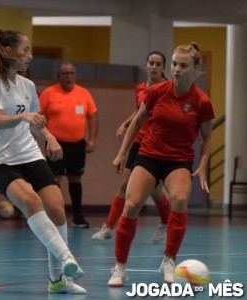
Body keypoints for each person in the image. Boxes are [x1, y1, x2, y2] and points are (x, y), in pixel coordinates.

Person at [0, 29, 86, 295]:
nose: (30, 56)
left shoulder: (27, 86)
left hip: (29, 154)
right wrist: (23, 118)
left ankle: (58, 281)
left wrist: (49, 137)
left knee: (57, 209)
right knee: (30, 201)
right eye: (25, 50)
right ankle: (66, 257)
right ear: (7, 51)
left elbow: (37, 121)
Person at [108, 42, 215, 286]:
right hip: (149, 155)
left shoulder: (202, 102)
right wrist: (122, 153)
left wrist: (204, 163)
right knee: (132, 204)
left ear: (195, 70)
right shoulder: (157, 91)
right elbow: (137, 121)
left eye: (183, 65)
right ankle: (120, 267)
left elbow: (207, 137)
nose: (177, 69)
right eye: (175, 64)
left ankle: (168, 260)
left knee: (179, 200)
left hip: (178, 161)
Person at [91, 51, 170, 242]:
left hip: (157, 145)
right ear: (146, 65)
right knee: (125, 185)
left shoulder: (167, 89)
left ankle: (166, 225)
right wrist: (127, 123)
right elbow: (139, 111)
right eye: (150, 62)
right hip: (138, 141)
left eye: (157, 64)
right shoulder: (140, 88)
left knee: (155, 190)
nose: (153, 66)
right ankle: (109, 227)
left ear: (163, 68)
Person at [39, 61, 98, 228]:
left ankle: (78, 216)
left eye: (71, 73)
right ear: (58, 76)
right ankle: (53, 217)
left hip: (77, 145)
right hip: (55, 144)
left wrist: (92, 139)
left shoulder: (84, 93)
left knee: (75, 179)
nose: (69, 76)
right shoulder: (48, 93)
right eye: (65, 73)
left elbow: (93, 116)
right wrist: (48, 138)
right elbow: (38, 118)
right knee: (54, 179)